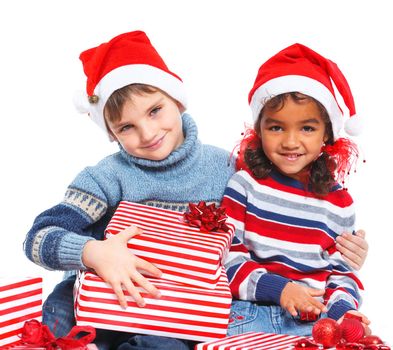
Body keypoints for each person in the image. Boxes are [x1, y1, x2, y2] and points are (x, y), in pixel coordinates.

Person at [23, 32, 368, 349]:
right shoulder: (106, 177)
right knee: (58, 317)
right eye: (126, 127)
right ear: (111, 132)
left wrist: (344, 248)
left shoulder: (229, 170)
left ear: (178, 100)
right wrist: (94, 253)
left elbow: (280, 216)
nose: (147, 133)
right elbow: (39, 238)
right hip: (103, 297)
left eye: (155, 110)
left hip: (177, 310)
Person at [222, 43, 370, 337]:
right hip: (250, 313)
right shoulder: (245, 185)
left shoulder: (339, 203)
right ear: (259, 129)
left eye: (307, 128)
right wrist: (280, 289)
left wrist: (342, 312)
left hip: (317, 320)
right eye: (276, 128)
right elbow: (225, 257)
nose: (290, 142)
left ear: (327, 133)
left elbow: (341, 272)